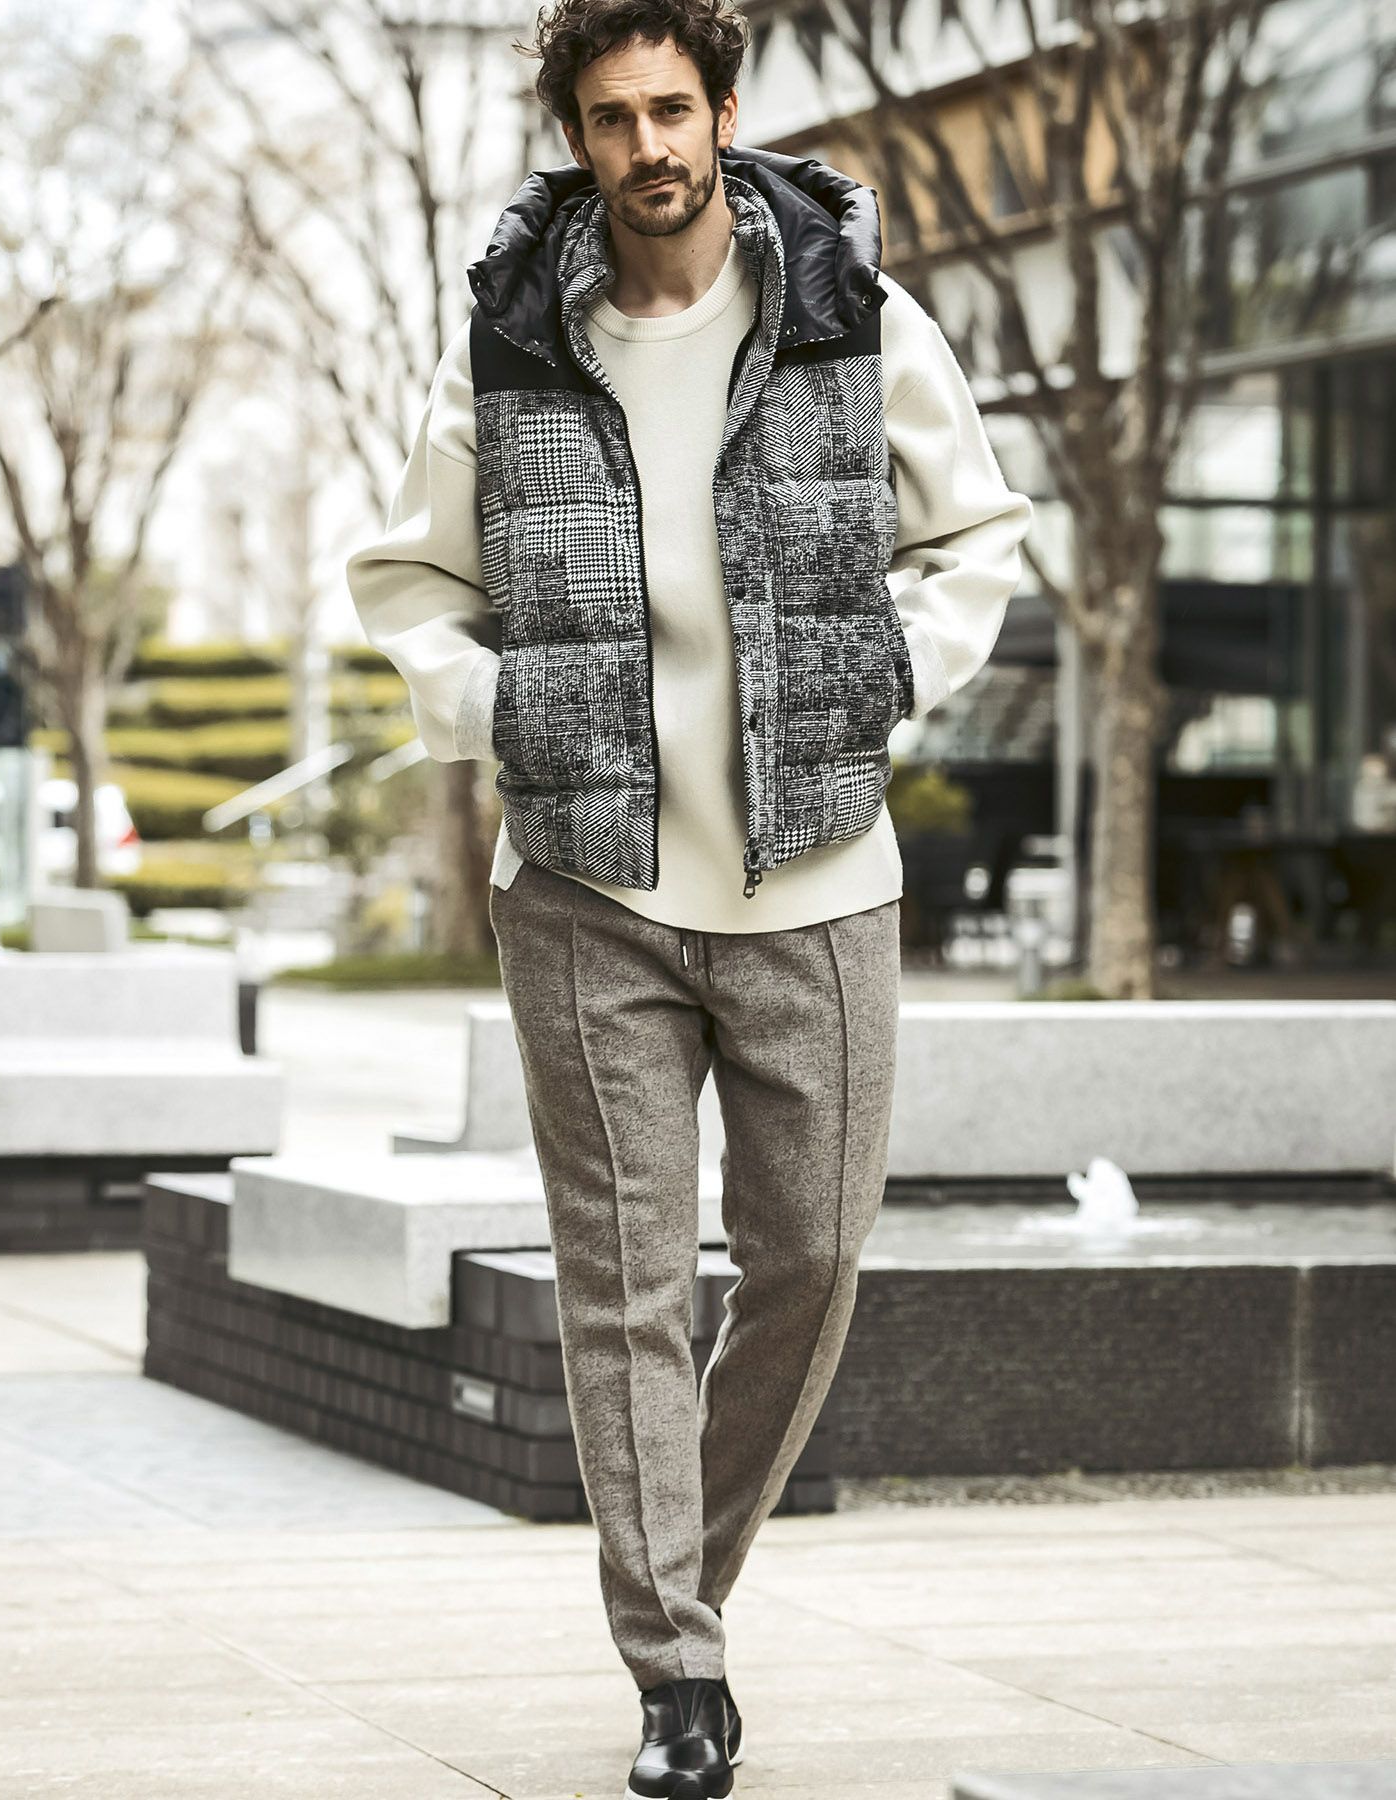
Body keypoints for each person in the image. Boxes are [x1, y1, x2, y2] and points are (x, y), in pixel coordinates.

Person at [346, 2, 1033, 1792]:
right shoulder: (511, 340)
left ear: (725, 112)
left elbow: (975, 536)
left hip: (819, 875)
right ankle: (676, 1670)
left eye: (672, 109)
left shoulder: (854, 316)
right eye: (610, 117)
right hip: (584, 886)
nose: (647, 145)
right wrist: (509, 707)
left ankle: (683, 1584)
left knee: (809, 1261)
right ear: (576, 138)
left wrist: (885, 675)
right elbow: (408, 580)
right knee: (627, 1288)